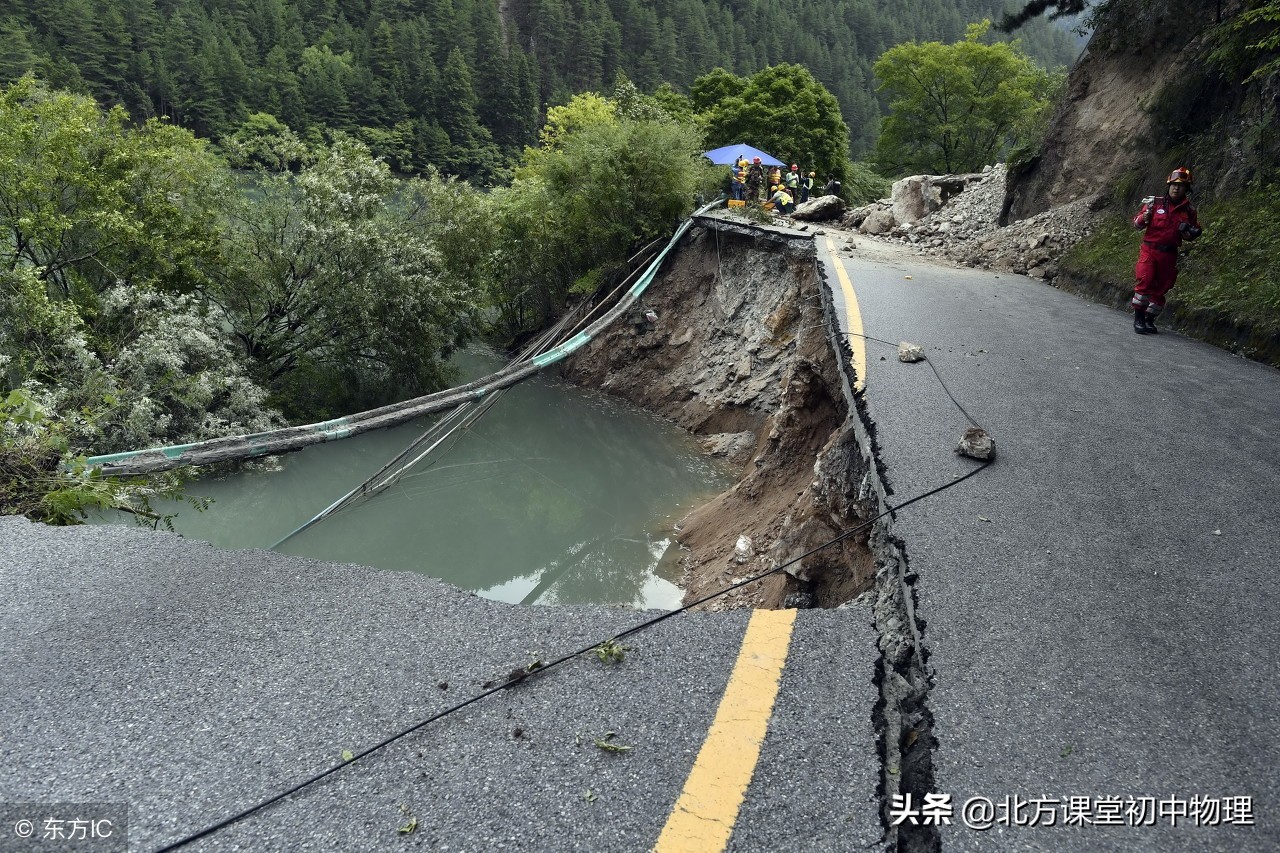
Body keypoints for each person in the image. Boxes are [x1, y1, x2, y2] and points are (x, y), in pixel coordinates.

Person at [1130, 167, 1202, 334]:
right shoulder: (1154, 203)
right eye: (1174, 185)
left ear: (1187, 189)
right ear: (1168, 185)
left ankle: (1149, 319)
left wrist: (1188, 232)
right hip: (1149, 250)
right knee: (1145, 281)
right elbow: (1136, 224)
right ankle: (1138, 319)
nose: (1176, 188)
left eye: (1181, 185)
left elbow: (1192, 235)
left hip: (1169, 254)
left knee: (1161, 288)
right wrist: (1144, 218)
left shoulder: (1189, 211)